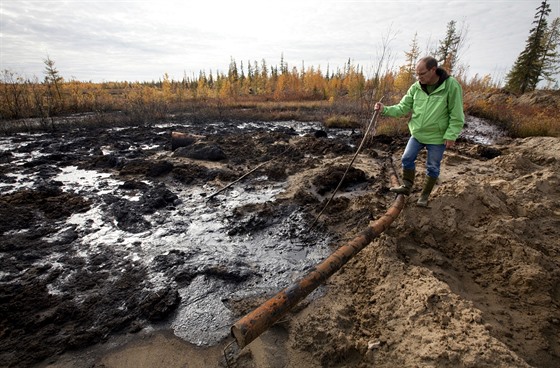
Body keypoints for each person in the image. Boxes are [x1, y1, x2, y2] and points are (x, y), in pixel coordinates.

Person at [374, 56, 464, 207]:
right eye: (417, 74)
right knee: (406, 159)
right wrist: (384, 109)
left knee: (433, 166)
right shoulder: (416, 87)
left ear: (433, 70)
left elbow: (457, 114)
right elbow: (402, 108)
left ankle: (424, 195)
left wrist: (451, 135)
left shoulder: (451, 85)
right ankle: (407, 187)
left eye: (422, 74)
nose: (418, 77)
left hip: (437, 137)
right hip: (417, 134)